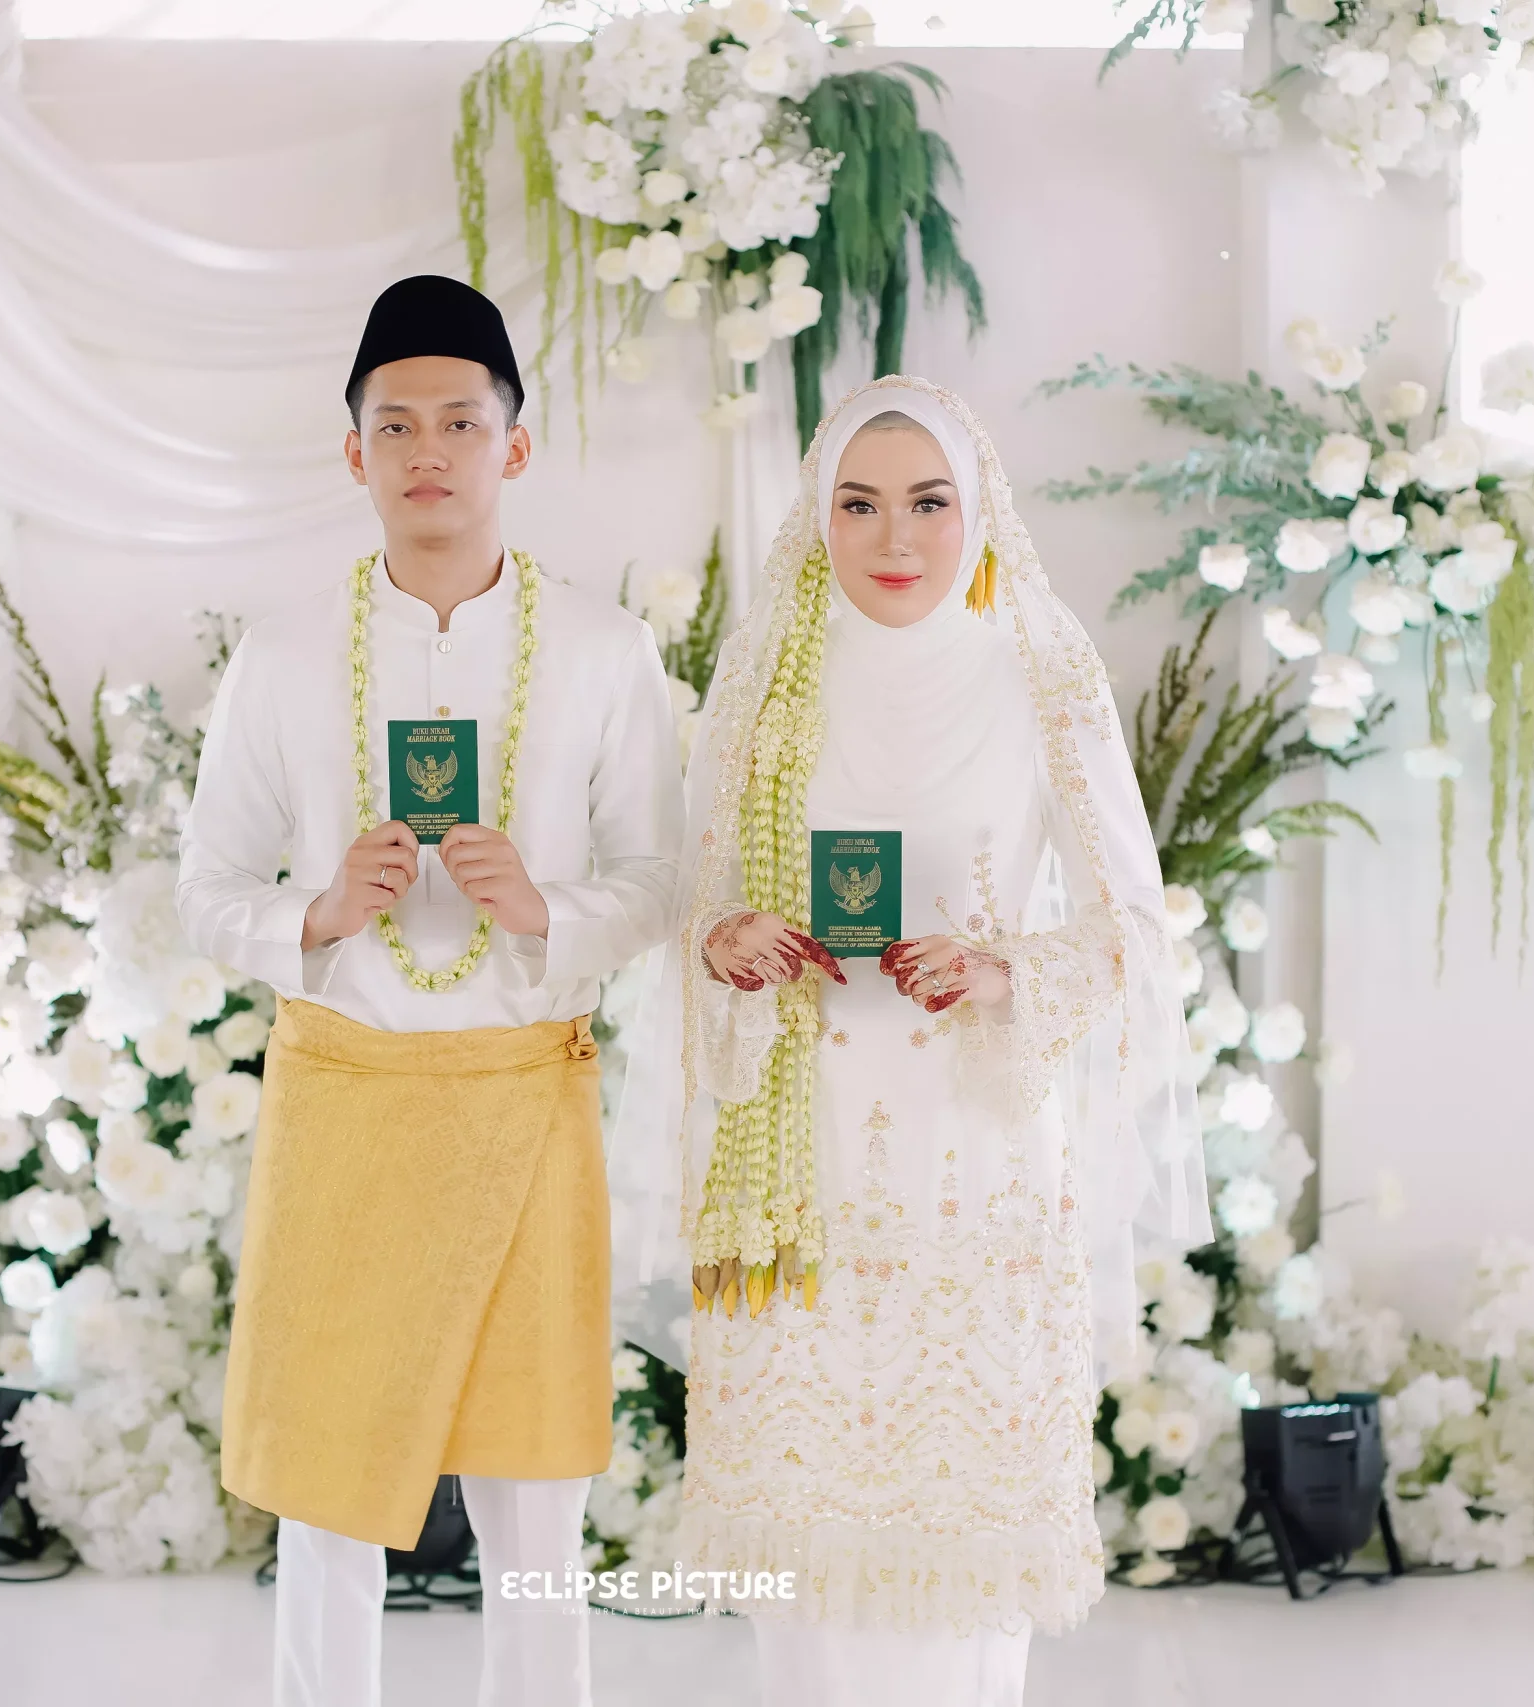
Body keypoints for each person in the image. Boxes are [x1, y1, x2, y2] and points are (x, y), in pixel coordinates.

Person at [620, 376, 1209, 1706]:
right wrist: (728, 941)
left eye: (929, 503)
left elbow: (1133, 930)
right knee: (809, 1560)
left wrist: (1003, 970)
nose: (895, 537)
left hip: (975, 1168)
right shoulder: (767, 679)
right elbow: (694, 907)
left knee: (961, 1555)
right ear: (817, 517)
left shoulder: (1042, 675)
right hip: (796, 1163)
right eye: (860, 503)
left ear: (978, 511)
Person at [176, 274, 683, 1707]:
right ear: (354, 453)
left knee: (534, 1501)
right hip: (346, 1104)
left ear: (514, 444)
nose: (428, 452)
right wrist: (320, 912)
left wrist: (546, 908)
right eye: (395, 425)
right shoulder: (284, 653)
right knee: (328, 1497)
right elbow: (206, 887)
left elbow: (663, 876)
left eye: (461, 421)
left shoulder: (604, 649)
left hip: (524, 1101)